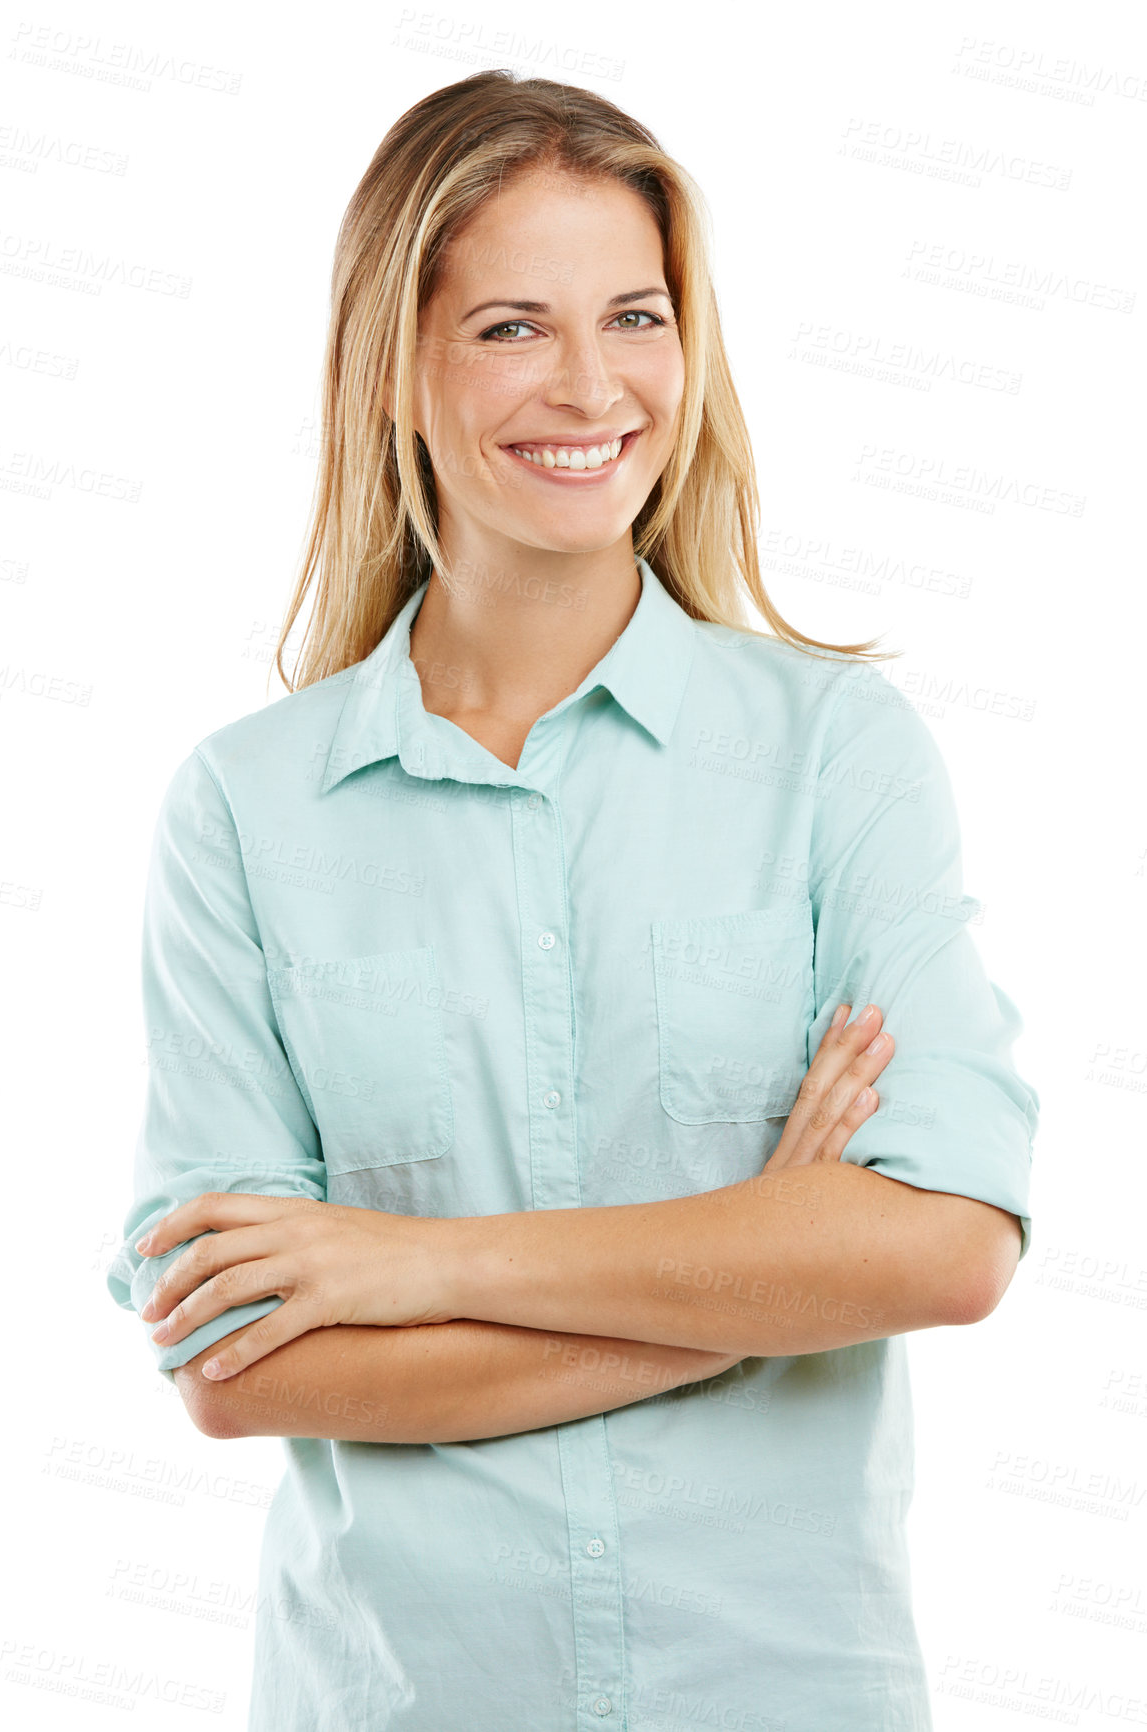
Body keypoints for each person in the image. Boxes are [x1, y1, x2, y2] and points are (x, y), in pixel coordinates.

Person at [106, 70, 1039, 1732]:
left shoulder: (836, 753)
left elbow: (944, 1245)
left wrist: (411, 1265)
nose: (591, 386)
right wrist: (751, 1281)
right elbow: (243, 1367)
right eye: (511, 329)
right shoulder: (245, 813)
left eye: (634, 317)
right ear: (393, 364)